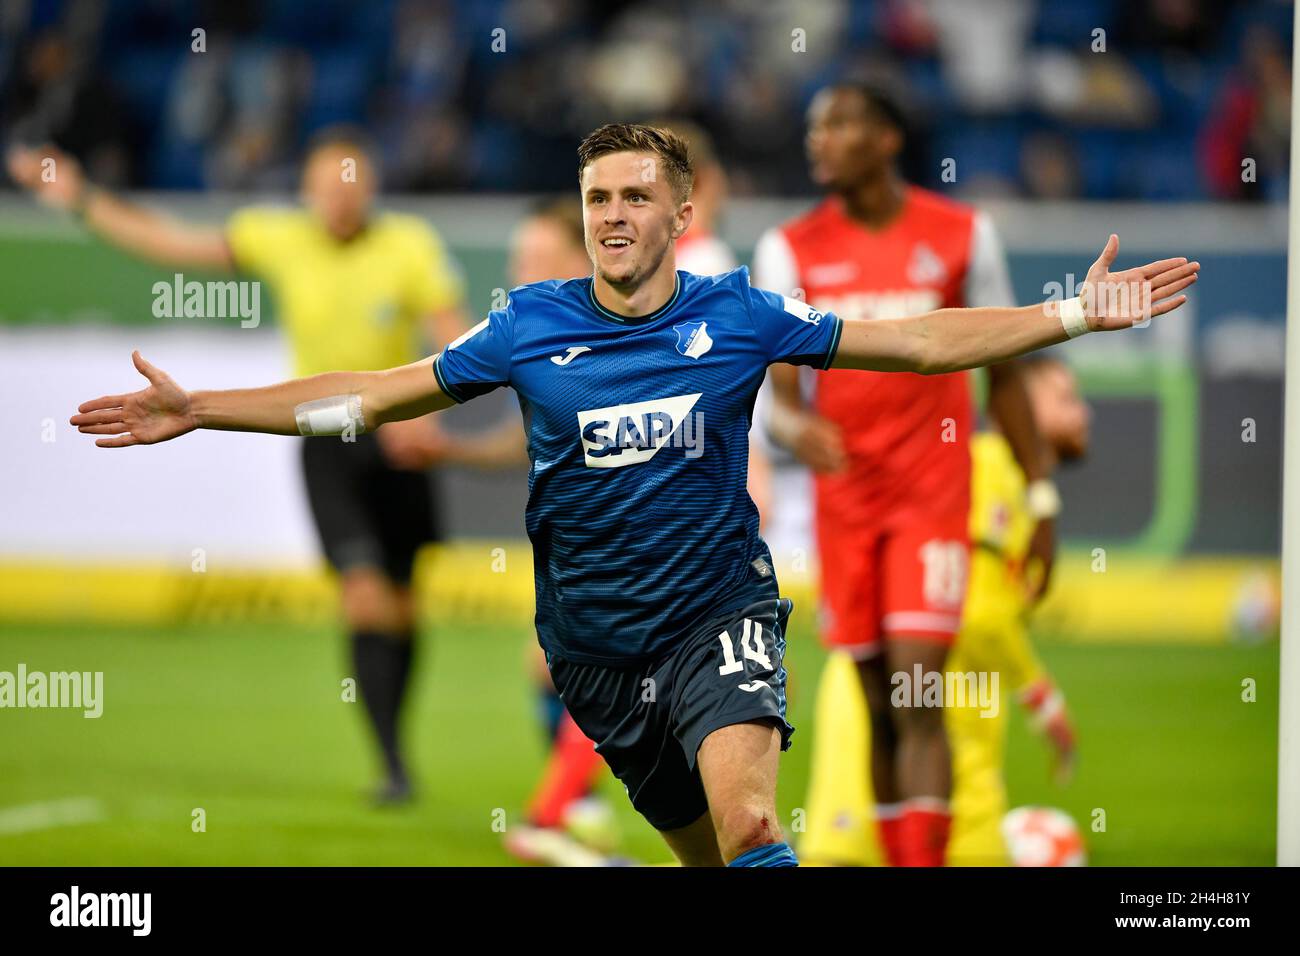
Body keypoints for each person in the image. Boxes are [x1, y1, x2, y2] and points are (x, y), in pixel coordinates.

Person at [67, 123, 1197, 866]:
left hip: (717, 616)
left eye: (633, 195)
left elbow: (914, 341)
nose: (610, 213)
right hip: (594, 652)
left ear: (676, 210)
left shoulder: (739, 314)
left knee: (753, 818)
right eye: (595, 194)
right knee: (709, 853)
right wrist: (206, 404)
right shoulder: (529, 324)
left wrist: (1070, 313)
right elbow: (371, 395)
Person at [10, 129, 468, 804]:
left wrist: (432, 413)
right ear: (307, 192)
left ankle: (397, 743)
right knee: (363, 594)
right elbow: (170, 244)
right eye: (328, 187)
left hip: (397, 435)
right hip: (321, 431)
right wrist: (81, 199)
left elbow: (447, 326)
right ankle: (392, 763)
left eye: (352, 186)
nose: (341, 200)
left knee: (402, 603)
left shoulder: (410, 245)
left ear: (371, 189)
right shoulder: (277, 236)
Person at [755, 82, 1059, 865]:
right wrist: (797, 428)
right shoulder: (789, 249)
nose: (819, 138)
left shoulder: (962, 236)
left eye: (841, 123)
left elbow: (1009, 372)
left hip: (931, 496)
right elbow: (779, 400)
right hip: (846, 504)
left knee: (920, 689)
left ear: (888, 139)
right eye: (815, 124)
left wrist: (1042, 493)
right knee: (878, 702)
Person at [801, 355, 1088, 866]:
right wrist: (1039, 695)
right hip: (913, 721)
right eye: (1064, 398)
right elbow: (978, 608)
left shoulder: (999, 475)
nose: (1082, 413)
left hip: (913, 714)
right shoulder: (991, 466)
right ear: (1017, 404)